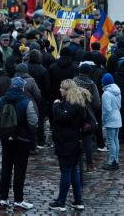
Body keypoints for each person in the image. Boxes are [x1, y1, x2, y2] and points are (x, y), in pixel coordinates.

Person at [0, 76, 38, 210]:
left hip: (6, 140)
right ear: (22, 88)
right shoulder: (26, 101)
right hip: (22, 140)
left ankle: (3, 198)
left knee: (6, 168)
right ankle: (18, 199)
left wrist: (4, 132)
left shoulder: (1, 100)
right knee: (20, 170)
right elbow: (33, 121)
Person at [50, 79, 88, 212]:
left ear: (67, 90)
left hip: (66, 142)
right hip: (74, 141)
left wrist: (55, 105)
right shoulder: (78, 102)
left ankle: (61, 202)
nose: (59, 90)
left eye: (61, 88)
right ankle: (78, 200)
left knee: (66, 171)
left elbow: (62, 117)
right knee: (73, 171)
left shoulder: (70, 104)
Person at [100, 73, 122, 170]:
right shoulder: (117, 91)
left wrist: (103, 121)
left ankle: (111, 161)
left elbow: (106, 110)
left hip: (111, 119)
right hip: (117, 117)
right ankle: (116, 160)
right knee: (115, 140)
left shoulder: (106, 94)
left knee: (111, 141)